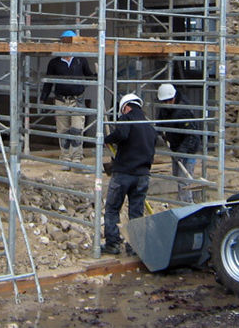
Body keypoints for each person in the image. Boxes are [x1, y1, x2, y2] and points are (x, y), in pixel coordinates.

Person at [101, 93, 156, 255]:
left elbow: (122, 134)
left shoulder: (127, 119)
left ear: (126, 107)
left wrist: (108, 138)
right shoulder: (149, 126)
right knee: (136, 214)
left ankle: (113, 244)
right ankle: (134, 247)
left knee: (112, 209)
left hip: (124, 173)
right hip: (143, 176)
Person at [39, 30, 95, 163]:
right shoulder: (54, 63)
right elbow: (49, 82)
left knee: (76, 129)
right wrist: (43, 97)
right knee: (63, 130)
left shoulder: (81, 61)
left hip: (77, 100)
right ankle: (65, 157)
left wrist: (96, 76)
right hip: (61, 100)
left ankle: (76, 157)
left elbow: (89, 75)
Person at [155, 83, 201, 202]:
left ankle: (186, 204)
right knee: (177, 175)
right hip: (175, 146)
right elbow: (160, 123)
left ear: (174, 97)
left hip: (188, 149)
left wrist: (182, 152)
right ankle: (184, 198)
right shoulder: (165, 109)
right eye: (164, 102)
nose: (167, 104)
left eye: (169, 101)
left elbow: (192, 135)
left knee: (183, 178)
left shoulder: (184, 110)